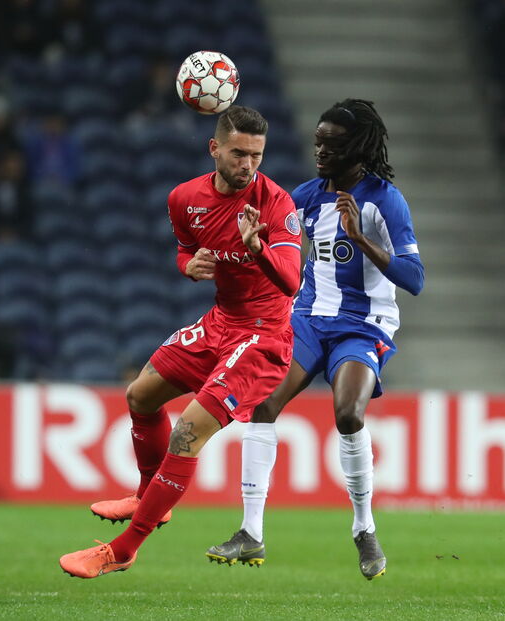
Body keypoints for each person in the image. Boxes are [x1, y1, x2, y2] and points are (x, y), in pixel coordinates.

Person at [59, 105, 303, 578]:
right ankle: (149, 496)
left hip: (263, 336)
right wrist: (188, 267)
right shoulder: (184, 199)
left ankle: (123, 549)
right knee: (140, 395)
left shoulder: (276, 205)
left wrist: (258, 248)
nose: (248, 165)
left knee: (187, 432)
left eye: (256, 156)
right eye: (238, 153)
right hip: (220, 323)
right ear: (214, 148)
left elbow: (291, 281)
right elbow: (185, 250)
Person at [205, 99, 424, 580]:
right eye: (318, 142)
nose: (320, 152)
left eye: (332, 145)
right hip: (306, 318)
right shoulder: (303, 197)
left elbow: (415, 278)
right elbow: (268, 243)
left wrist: (362, 239)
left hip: (363, 324)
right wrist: (247, 247)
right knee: (262, 403)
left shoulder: (384, 201)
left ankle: (364, 528)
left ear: (357, 149)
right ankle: (251, 532)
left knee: (348, 414)